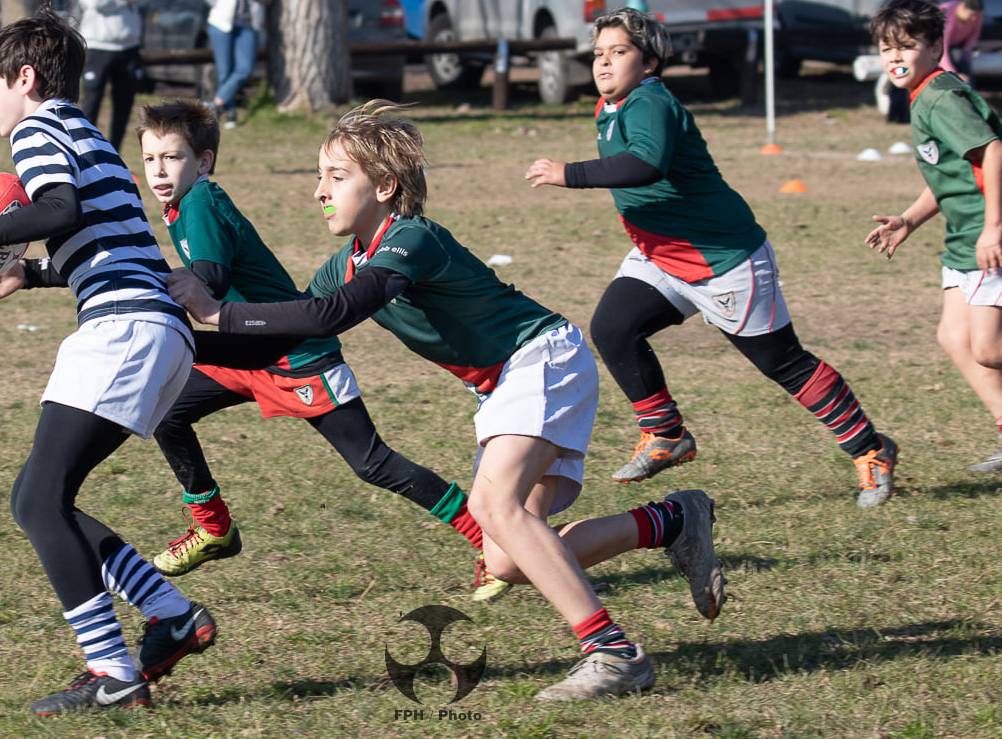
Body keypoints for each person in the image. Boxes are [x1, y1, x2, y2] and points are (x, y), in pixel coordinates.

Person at [167, 99, 727, 701]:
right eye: (319, 177)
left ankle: (614, 654)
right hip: (506, 383)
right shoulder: (343, 264)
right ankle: (672, 520)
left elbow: (340, 312)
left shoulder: (410, 238)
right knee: (509, 557)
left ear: (384, 186)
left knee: (494, 507)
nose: (318, 191)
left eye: (335, 176)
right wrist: (181, 344)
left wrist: (220, 311)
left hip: (541, 358)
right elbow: (291, 335)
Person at [0, 10, 246, 715]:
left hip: (123, 331)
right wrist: (28, 275)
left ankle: (113, 670)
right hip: (152, 328)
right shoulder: (86, 131)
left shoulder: (39, 130)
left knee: (39, 501)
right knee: (39, 500)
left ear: (25, 78)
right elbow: (100, 238)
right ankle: (168, 615)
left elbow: (59, 208)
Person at [524, 7, 899, 507]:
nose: (604, 64)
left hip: (721, 259)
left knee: (783, 363)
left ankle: (870, 450)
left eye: (619, 52)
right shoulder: (609, 105)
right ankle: (665, 434)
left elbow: (645, 165)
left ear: (650, 62)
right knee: (614, 328)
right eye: (598, 54)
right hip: (661, 255)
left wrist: (567, 173)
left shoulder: (650, 101)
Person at [134, 99, 499, 599]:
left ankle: (489, 540)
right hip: (249, 348)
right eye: (150, 158)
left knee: (372, 462)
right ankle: (213, 526)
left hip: (294, 352)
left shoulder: (199, 203)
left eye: (172, 157)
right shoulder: (181, 205)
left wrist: (150, 302)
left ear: (204, 162)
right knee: (166, 409)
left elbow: (209, 280)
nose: (159, 169)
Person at [866, 0, 1002, 473]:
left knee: (987, 348)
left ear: (935, 46)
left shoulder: (942, 96)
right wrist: (909, 220)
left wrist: (994, 228)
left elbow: (993, 151)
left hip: (985, 235)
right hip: (964, 235)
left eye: (906, 45)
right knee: (953, 337)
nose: (895, 57)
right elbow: (949, 172)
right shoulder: (922, 96)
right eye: (886, 49)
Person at [74, 0, 151, 152]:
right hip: (97, 46)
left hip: (129, 46)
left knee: (123, 106)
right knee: (91, 105)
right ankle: (86, 155)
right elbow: (94, 0)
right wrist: (128, 0)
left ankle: (115, 155)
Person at [205, 0, 272, 129]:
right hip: (221, 25)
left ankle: (215, 103)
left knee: (245, 68)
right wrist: (220, 7)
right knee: (225, 71)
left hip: (248, 26)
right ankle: (230, 113)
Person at [941, 0, 985, 84]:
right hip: (941, 48)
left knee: (968, 76)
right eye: (971, 15)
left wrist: (966, 53)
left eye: (976, 15)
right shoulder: (947, 13)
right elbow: (941, 48)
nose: (973, 19)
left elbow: (975, 33)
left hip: (960, 46)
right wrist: (953, 73)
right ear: (961, 6)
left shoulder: (978, 13)